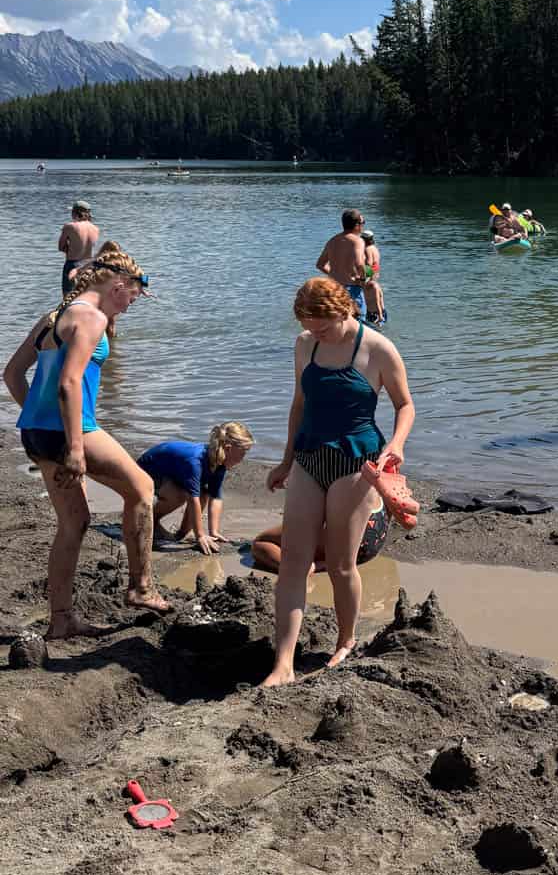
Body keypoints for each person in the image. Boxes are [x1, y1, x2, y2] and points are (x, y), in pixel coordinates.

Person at [3, 246, 166, 636]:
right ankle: (142, 587)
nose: (130, 306)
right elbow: (69, 382)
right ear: (118, 285)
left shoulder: (53, 316)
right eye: (133, 297)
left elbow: (12, 374)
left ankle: (61, 622)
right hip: (71, 431)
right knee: (143, 488)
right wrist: (75, 447)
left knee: (74, 523)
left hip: (37, 433)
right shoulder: (90, 317)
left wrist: (37, 419)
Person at [262, 277, 414, 687]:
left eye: (323, 327)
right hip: (310, 459)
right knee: (293, 562)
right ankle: (284, 664)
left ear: (344, 310)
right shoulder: (304, 344)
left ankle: (345, 641)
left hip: (356, 463)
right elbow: (299, 404)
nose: (316, 335)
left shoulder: (377, 349)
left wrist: (396, 446)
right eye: (310, 327)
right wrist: (285, 461)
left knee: (342, 565)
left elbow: (405, 405)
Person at [138, 422, 254, 555]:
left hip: (173, 473)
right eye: (243, 453)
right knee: (180, 496)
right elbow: (193, 500)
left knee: (204, 494)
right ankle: (150, 518)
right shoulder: (195, 461)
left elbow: (215, 497)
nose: (243, 458)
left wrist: (213, 531)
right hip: (147, 471)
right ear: (227, 449)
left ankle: (181, 534)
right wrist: (200, 535)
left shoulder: (220, 463)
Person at [249, 499, 389, 573]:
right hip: (373, 540)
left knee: (260, 542)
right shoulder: (374, 459)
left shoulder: (324, 457)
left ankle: (302, 569)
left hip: (346, 537)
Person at [316, 209, 368, 319]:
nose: (363, 226)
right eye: (363, 223)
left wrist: (335, 274)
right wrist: (362, 281)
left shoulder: (332, 241)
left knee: (338, 324)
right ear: (356, 225)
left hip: (334, 288)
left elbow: (320, 264)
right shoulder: (357, 241)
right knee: (358, 324)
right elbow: (360, 264)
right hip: (351, 289)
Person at [57, 200, 99, 296]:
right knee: (86, 296)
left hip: (73, 265)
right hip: (89, 265)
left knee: (68, 298)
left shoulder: (69, 226)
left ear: (74, 213)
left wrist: (69, 248)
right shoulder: (95, 228)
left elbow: (61, 247)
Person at [360, 229, 387, 325]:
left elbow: (369, 264)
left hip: (371, 276)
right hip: (375, 275)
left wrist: (364, 278)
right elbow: (375, 265)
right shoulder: (375, 248)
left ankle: (378, 315)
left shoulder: (367, 249)